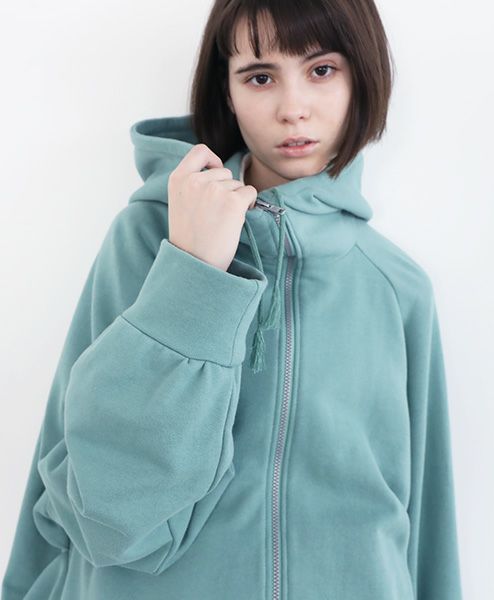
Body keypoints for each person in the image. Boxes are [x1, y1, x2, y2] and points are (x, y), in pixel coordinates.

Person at [2, 1, 463, 599]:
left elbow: (426, 530)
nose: (293, 107)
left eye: (322, 70)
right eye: (260, 76)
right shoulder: (150, 240)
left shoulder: (398, 287)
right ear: (227, 91)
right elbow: (104, 518)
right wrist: (194, 273)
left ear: (362, 76)